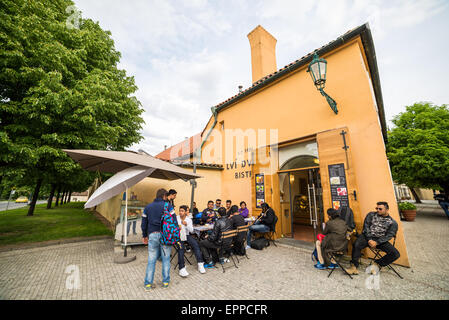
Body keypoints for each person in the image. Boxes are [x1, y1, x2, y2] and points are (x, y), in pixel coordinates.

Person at [346, 201, 400, 275]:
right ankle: (354, 266)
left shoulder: (392, 222)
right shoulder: (371, 215)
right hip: (367, 237)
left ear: (387, 210)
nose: (377, 210)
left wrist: (377, 242)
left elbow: (389, 235)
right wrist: (370, 239)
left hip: (380, 240)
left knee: (395, 254)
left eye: (380, 209)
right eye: (376, 208)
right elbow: (366, 227)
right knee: (356, 244)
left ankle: (377, 264)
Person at [141, 188, 175, 290]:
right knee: (165, 259)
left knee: (151, 260)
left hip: (152, 234)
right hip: (165, 236)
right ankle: (165, 282)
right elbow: (174, 221)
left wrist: (144, 235)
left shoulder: (148, 207)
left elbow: (144, 223)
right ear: (164, 196)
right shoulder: (168, 206)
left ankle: (148, 284)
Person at [176, 205, 206, 276]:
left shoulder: (188, 220)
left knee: (196, 244)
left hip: (186, 235)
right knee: (181, 249)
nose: (180, 212)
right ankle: (181, 268)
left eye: (182, 211)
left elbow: (192, 231)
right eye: (180, 211)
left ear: (186, 212)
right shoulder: (176, 218)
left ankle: (200, 264)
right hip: (178, 236)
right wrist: (177, 227)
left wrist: (186, 225)